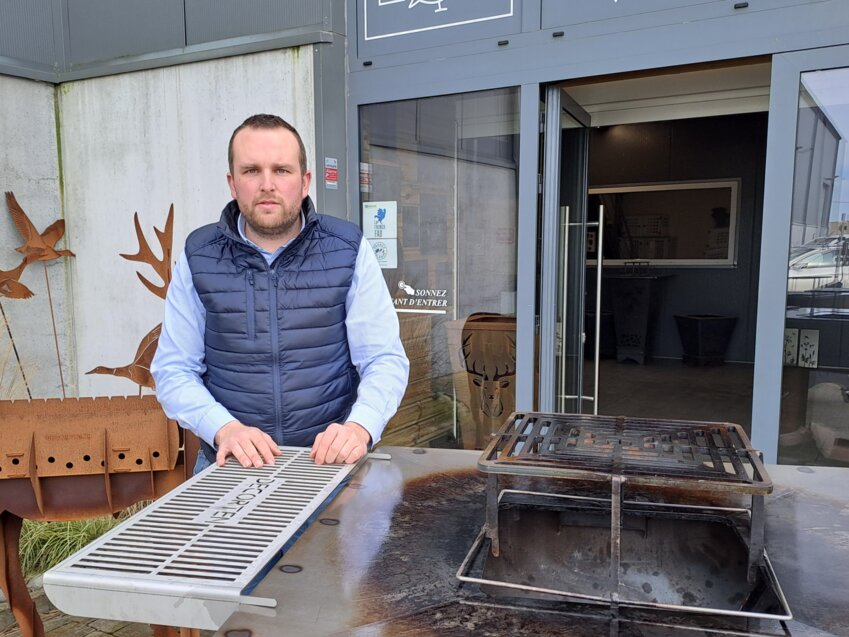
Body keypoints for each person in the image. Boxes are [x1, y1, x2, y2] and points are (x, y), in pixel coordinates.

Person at [151, 114, 409, 471]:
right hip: (231, 464)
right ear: (232, 183)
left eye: (282, 170)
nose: (267, 184)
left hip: (330, 463)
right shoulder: (199, 255)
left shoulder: (347, 248)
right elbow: (174, 369)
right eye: (251, 170)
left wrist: (359, 427)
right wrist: (224, 429)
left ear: (304, 182)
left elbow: (384, 358)